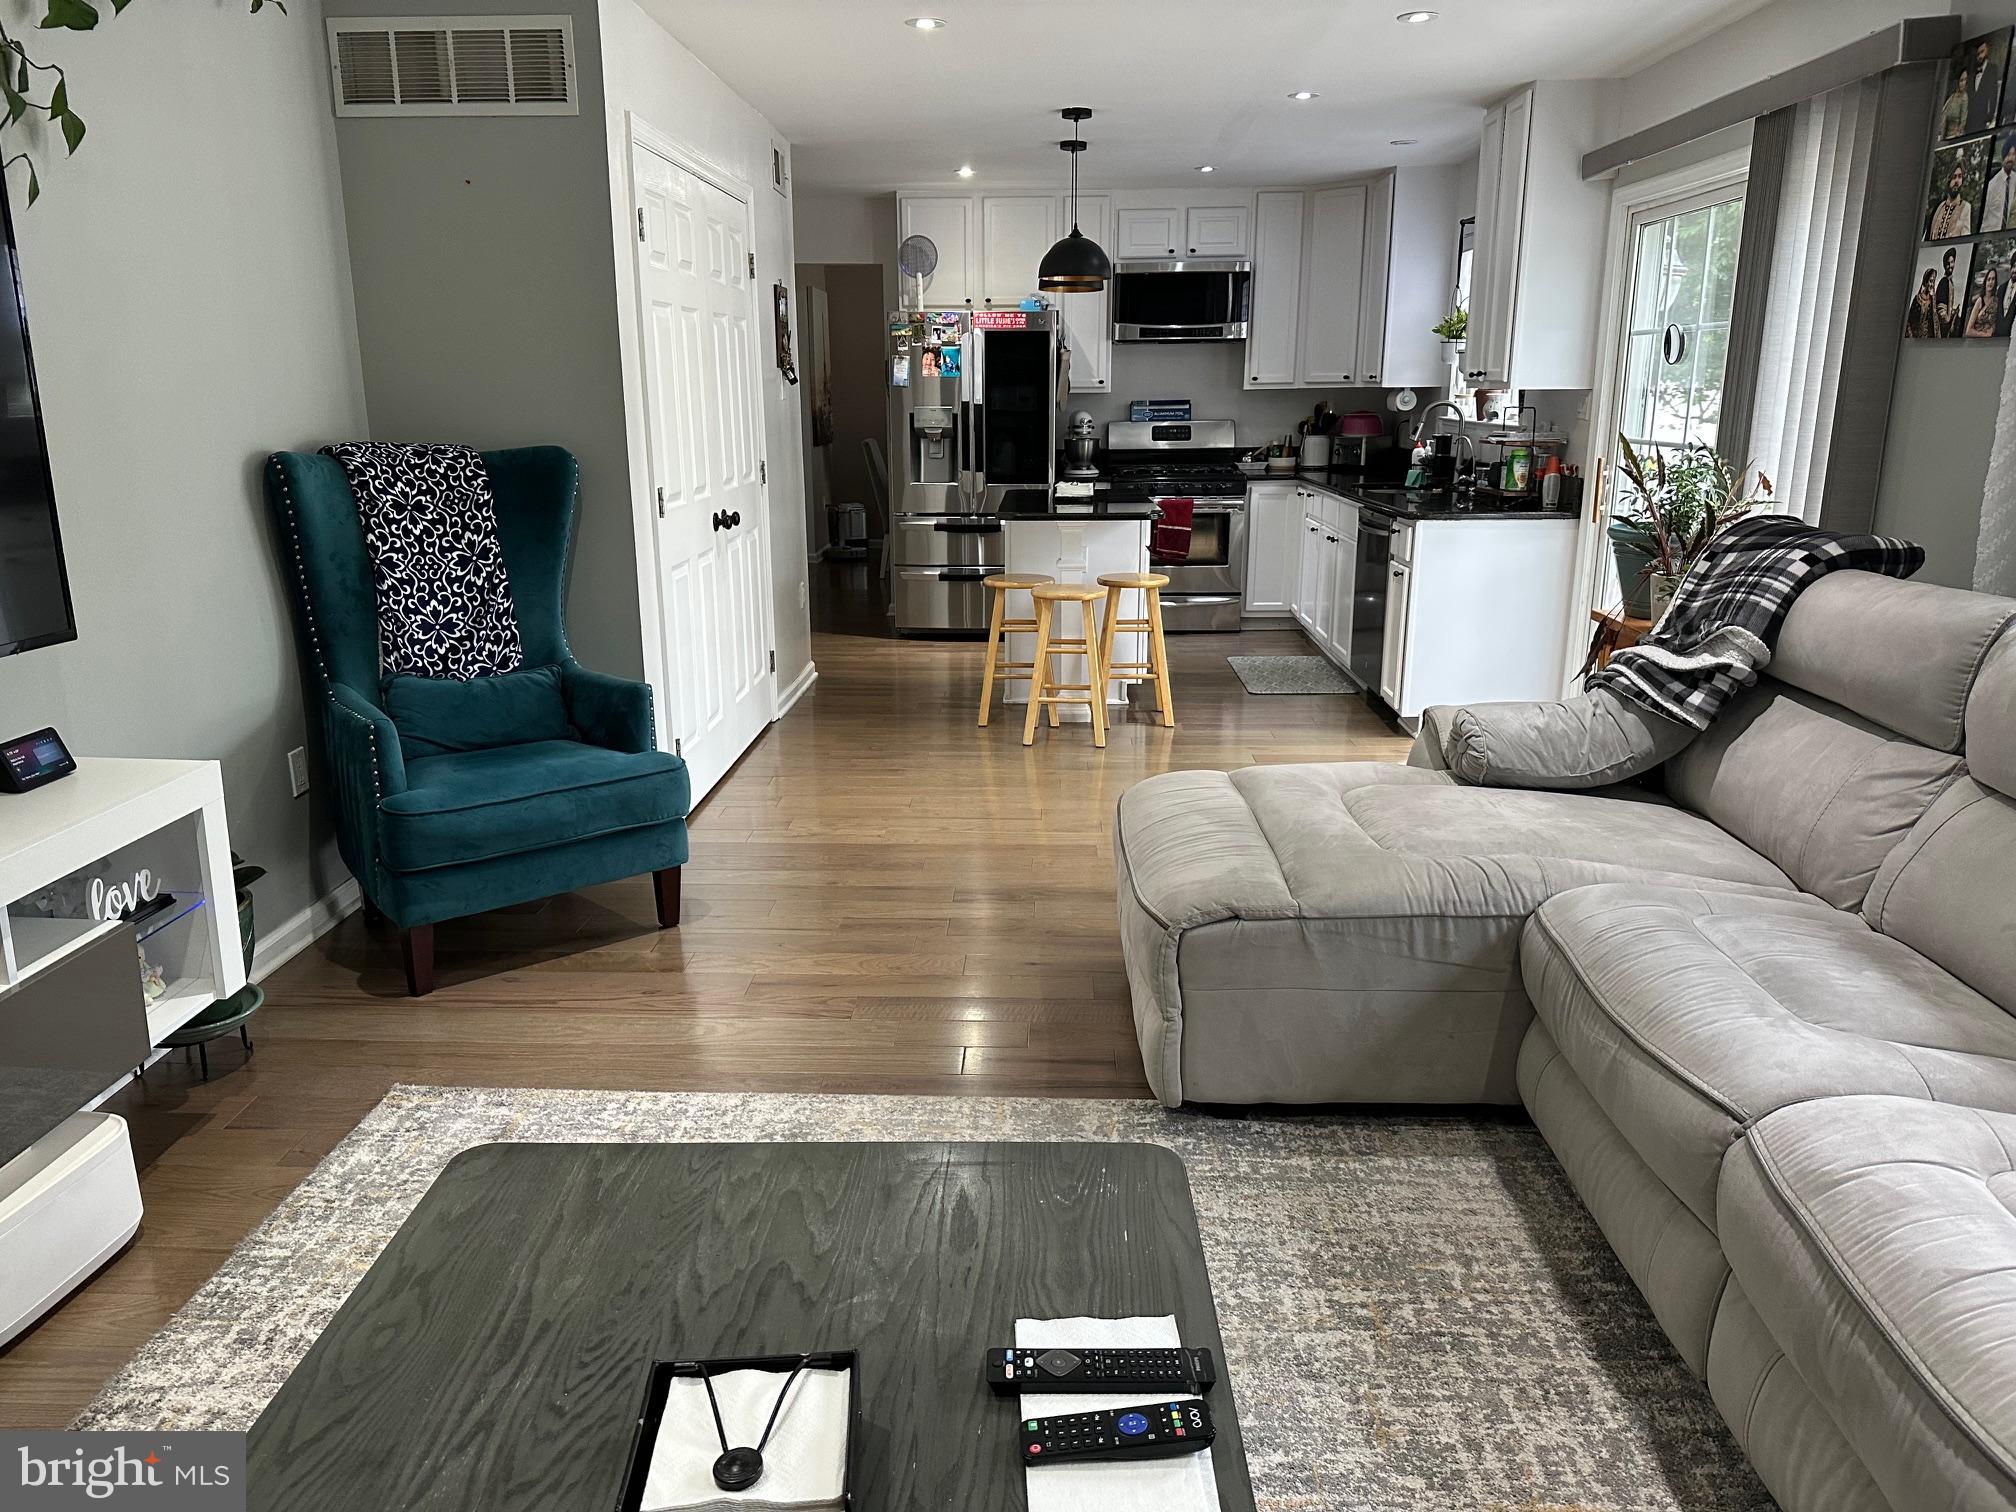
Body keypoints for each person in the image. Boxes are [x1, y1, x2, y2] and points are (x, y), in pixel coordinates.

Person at [1931, 162, 1975, 240]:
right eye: (1954, 177)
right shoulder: (1940, 207)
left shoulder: (1966, 207)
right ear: (1949, 180)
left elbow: (1966, 237)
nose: (1956, 181)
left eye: (1959, 177)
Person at [1968, 38, 2004, 135]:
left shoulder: (1992, 69)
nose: (1980, 55)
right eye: (1978, 53)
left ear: (1987, 51)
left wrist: (1990, 115)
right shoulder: (1972, 71)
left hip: (1983, 115)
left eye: (1982, 52)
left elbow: (1994, 93)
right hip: (1970, 117)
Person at [1985, 138, 2016, 232]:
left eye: (2014, 154)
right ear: (2003, 157)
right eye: (2008, 155)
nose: (2010, 158)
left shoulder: (2015, 179)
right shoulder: (1992, 184)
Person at [1936, 247, 1965, 335]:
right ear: (1944, 265)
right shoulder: (1944, 282)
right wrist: (1948, 319)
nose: (1950, 265)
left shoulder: (1950, 282)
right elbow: (1940, 308)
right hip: (1943, 328)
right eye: (1948, 263)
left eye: (1952, 262)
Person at [1967, 265, 2001, 337]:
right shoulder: (1980, 300)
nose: (1990, 282)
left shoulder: (1997, 301)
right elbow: (1968, 331)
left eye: (1993, 279)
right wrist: (1985, 335)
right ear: (1985, 282)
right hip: (1977, 341)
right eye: (1988, 279)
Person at [1907, 269, 1941, 337]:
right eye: (1930, 281)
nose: (1932, 284)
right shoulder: (1917, 299)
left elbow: (1935, 324)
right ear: (1925, 281)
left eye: (1933, 282)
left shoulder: (1932, 302)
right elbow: (1909, 321)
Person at [1943, 70, 1973, 140]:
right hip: (1943, 130)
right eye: (1961, 80)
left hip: (1953, 133)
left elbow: (1963, 120)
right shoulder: (1951, 94)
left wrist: (1957, 132)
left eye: (1965, 80)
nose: (1963, 83)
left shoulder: (1964, 97)